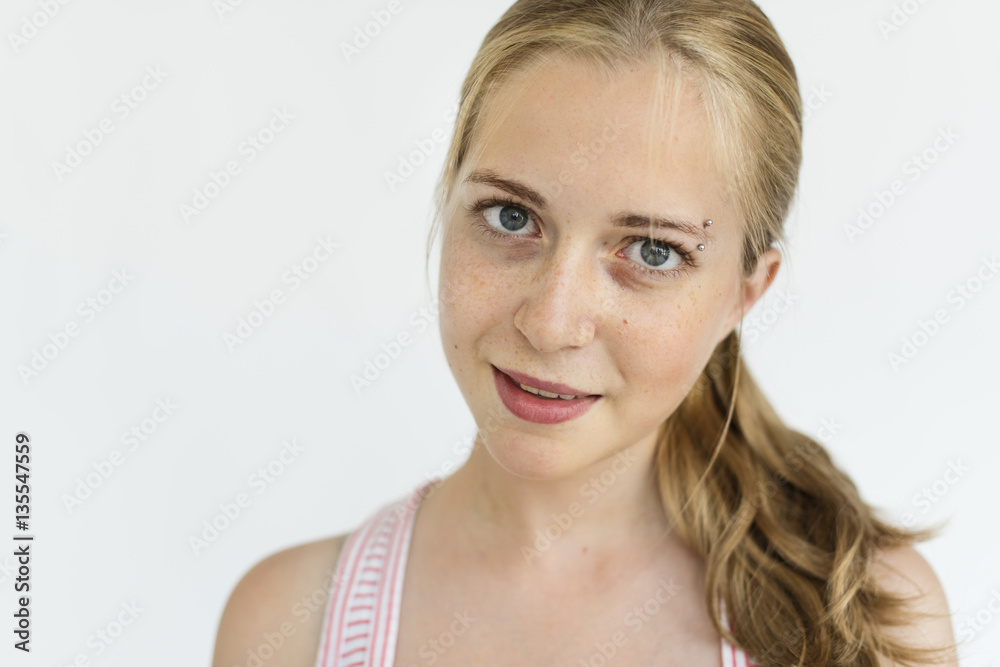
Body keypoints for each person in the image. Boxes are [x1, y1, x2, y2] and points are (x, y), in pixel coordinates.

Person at [212, 1, 960, 665]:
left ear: (744, 292)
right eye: (512, 216)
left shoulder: (868, 621)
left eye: (653, 252)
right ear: (448, 200)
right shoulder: (287, 628)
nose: (550, 321)